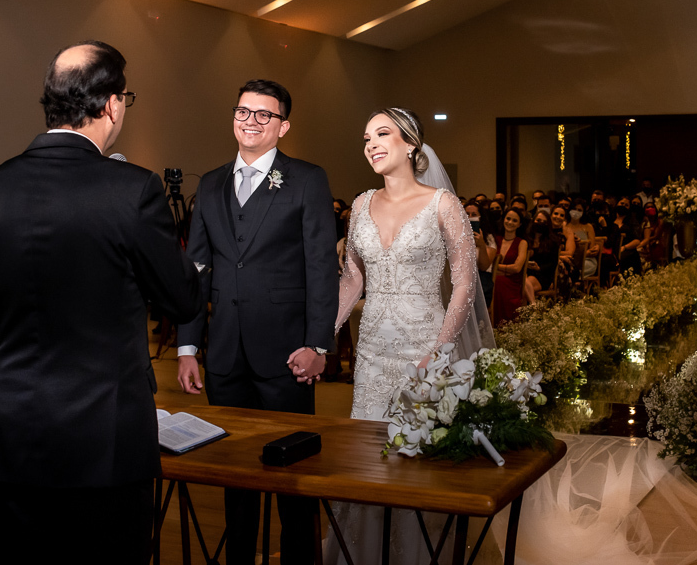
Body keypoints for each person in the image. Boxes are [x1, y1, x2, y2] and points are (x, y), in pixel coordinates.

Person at [0, 40, 201, 564]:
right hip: (107, 442)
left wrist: (28, 313)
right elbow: (181, 300)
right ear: (111, 104)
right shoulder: (133, 190)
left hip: (15, 437)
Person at [176, 79, 337, 565]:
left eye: (264, 114)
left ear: (283, 126)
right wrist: (188, 347)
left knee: (294, 478)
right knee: (235, 477)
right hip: (225, 355)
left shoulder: (306, 179)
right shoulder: (210, 183)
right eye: (243, 111)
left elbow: (320, 267)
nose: (251, 121)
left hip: (287, 354)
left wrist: (318, 345)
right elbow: (197, 270)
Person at [327, 108, 494, 565]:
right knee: (368, 459)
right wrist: (324, 337)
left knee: (417, 460)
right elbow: (352, 280)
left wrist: (439, 353)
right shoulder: (361, 205)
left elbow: (465, 284)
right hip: (371, 355)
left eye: (382, 134)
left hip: (425, 349)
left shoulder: (443, 204)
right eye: (366, 138)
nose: (371, 145)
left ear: (411, 144)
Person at [492, 209, 529, 326]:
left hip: (512, 283)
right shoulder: (495, 239)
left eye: (514, 220)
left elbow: (517, 268)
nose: (510, 222)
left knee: (498, 282)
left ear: (519, 224)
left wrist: (496, 266)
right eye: (508, 219)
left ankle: (504, 327)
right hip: (494, 279)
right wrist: (506, 269)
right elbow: (487, 264)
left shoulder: (522, 243)